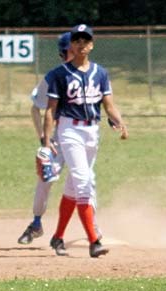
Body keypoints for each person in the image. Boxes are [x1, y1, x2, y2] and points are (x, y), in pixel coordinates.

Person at [42, 24, 126, 259]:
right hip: (69, 130)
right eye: (76, 40)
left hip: (92, 132)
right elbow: (50, 110)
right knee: (83, 181)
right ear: (71, 44)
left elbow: (108, 104)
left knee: (73, 187)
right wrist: (46, 140)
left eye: (85, 40)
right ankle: (94, 241)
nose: (81, 43)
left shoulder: (100, 73)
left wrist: (119, 121)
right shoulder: (60, 74)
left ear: (91, 44)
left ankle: (57, 237)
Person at [16, 33, 72, 246]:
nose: (74, 52)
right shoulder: (53, 77)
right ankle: (36, 224)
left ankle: (92, 228)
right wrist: (44, 139)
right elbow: (35, 109)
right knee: (45, 177)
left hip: (80, 134)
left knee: (83, 182)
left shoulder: (89, 73)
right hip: (57, 136)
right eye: (70, 50)